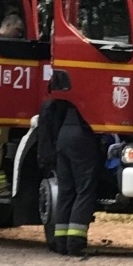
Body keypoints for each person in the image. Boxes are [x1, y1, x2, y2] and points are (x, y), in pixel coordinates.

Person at [36, 87, 99, 256]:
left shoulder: (64, 95)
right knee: (84, 190)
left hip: (63, 138)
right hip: (82, 137)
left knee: (66, 190)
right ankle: (75, 242)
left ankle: (61, 242)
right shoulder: (92, 95)